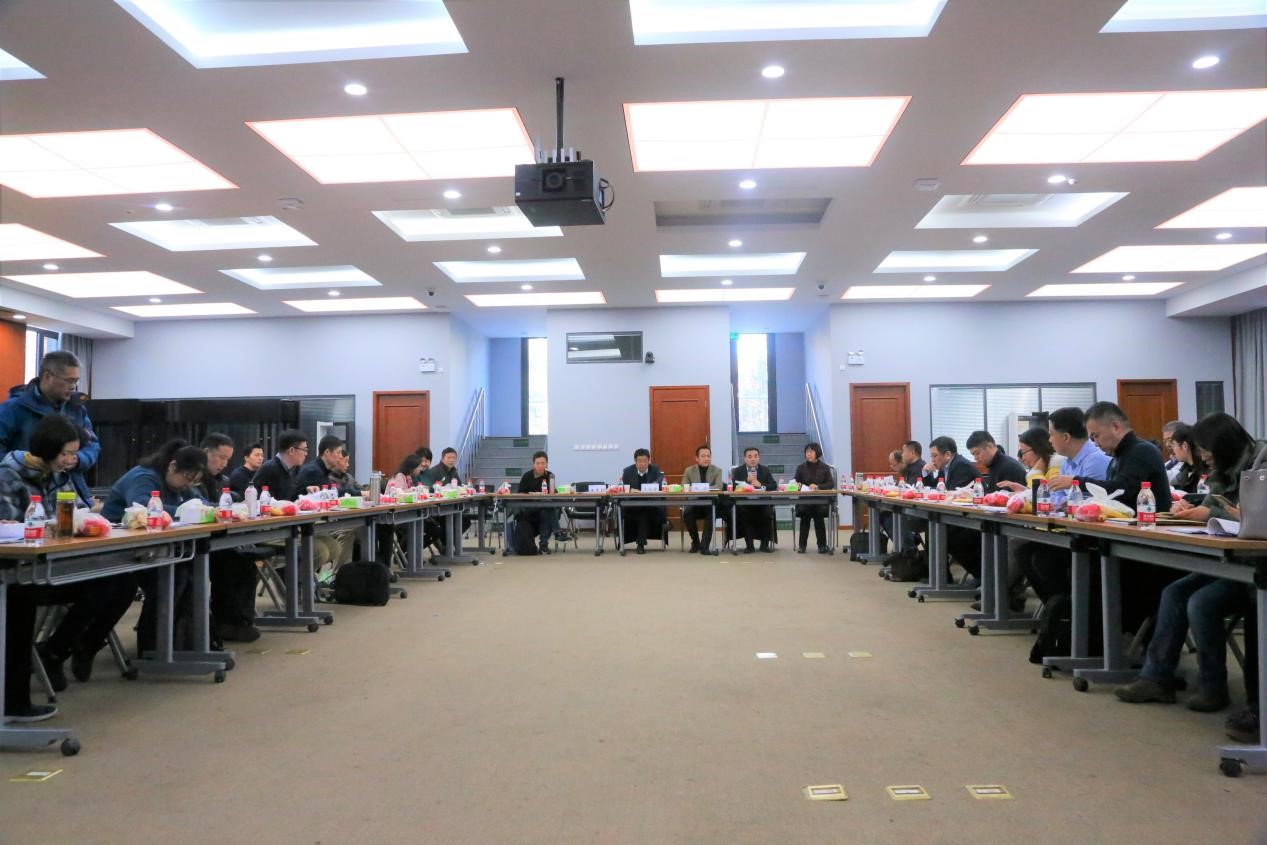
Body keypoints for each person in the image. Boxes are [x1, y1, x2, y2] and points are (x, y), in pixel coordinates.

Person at [1115, 413, 1263, 712]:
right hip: (1229, 562)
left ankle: (1213, 689)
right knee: (1174, 592)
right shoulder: (1224, 468)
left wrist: (1210, 514)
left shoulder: (1261, 464)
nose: (1203, 457)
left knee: (1201, 602)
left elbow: (1256, 518)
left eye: (1206, 451)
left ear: (1223, 445)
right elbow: (1215, 502)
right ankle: (1157, 678)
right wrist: (1192, 509)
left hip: (1255, 567)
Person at [0, 416, 135, 710]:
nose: (71, 460)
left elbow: (76, 512)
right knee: (98, 586)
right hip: (20, 572)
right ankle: (31, 680)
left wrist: (86, 520)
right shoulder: (8, 476)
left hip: (56, 563)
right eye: (66, 453)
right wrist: (44, 527)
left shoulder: (59, 474)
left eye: (74, 453)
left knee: (121, 580)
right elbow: (7, 528)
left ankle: (60, 650)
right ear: (46, 449)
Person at [102, 439, 207, 655]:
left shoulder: (180, 483)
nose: (188, 485)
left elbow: (200, 504)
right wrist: (187, 511)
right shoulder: (144, 477)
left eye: (194, 481)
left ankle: (172, 643)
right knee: (172, 575)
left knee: (187, 570)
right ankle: (151, 646)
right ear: (172, 466)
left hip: (151, 548)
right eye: (187, 478)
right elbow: (142, 509)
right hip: (117, 550)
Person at [1085, 401, 1176, 634]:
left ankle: (1117, 636)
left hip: (1152, 543)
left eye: (1096, 436)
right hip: (1127, 537)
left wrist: (1078, 482)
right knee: (1079, 562)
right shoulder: (1117, 457)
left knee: (1095, 570)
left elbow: (1123, 489)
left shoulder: (1141, 451)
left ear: (1115, 426)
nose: (1095, 443)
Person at [0, 350, 100, 506]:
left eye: (76, 381)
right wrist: (26, 466)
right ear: (47, 376)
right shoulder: (13, 409)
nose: (73, 386)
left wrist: (77, 458)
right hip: (24, 491)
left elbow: (92, 444)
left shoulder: (76, 408)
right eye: (69, 381)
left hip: (71, 487)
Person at [994, 427, 1066, 612]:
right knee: (1010, 541)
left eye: (1024, 451)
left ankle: (998, 595)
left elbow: (1048, 499)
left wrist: (1033, 475)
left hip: (1058, 529)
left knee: (1016, 543)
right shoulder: (1043, 465)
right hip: (1043, 526)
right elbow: (1038, 495)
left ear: (1037, 448)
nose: (1022, 457)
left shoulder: (1056, 462)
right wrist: (1022, 490)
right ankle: (1002, 595)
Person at [730, 447, 776, 554]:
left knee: (767, 513)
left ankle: (764, 545)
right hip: (745, 503)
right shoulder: (738, 471)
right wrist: (746, 480)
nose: (753, 459)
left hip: (762, 502)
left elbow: (774, 485)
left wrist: (761, 485)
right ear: (745, 458)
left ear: (759, 458)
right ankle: (749, 546)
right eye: (750, 456)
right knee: (745, 514)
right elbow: (733, 487)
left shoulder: (765, 470)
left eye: (755, 456)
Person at [621, 448, 665, 554]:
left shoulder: (655, 470)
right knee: (642, 512)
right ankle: (640, 544)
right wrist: (630, 490)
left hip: (651, 506)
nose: (642, 464)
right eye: (639, 461)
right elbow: (623, 488)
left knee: (643, 512)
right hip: (632, 506)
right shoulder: (627, 471)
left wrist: (653, 486)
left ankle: (640, 544)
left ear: (649, 461)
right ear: (635, 461)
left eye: (645, 461)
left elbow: (659, 484)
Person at [681, 445, 724, 553]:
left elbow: (719, 486)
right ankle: (696, 542)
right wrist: (705, 488)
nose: (706, 458)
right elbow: (684, 486)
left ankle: (705, 546)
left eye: (708, 456)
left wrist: (699, 487)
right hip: (694, 503)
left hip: (710, 503)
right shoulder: (689, 470)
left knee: (712, 512)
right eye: (703, 456)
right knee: (687, 513)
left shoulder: (717, 470)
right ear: (697, 458)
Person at [516, 451, 560, 555]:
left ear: (547, 464)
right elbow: (520, 494)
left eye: (543, 463)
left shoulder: (550, 476)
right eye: (538, 463)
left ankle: (543, 546)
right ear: (533, 464)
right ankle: (557, 532)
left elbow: (553, 493)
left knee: (546, 509)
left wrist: (554, 492)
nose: (540, 465)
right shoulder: (527, 476)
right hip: (530, 509)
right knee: (546, 505)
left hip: (544, 509)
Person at [794, 442, 834, 554]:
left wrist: (818, 486)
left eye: (811, 451)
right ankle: (802, 546)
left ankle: (822, 546)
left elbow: (831, 483)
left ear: (817, 452)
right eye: (807, 452)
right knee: (804, 516)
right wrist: (800, 485)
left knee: (819, 516)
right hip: (805, 500)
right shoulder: (801, 468)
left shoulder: (825, 467)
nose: (809, 454)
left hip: (820, 501)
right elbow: (795, 483)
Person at [250, 429, 309, 502]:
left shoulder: (294, 469)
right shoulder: (269, 468)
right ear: (291, 451)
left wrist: (306, 490)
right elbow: (251, 496)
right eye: (304, 450)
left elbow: (291, 497)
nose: (306, 454)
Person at [1168, 423, 1208, 496]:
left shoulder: (1205, 472)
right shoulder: (1186, 469)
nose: (1173, 451)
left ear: (1184, 446)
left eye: (1174, 445)